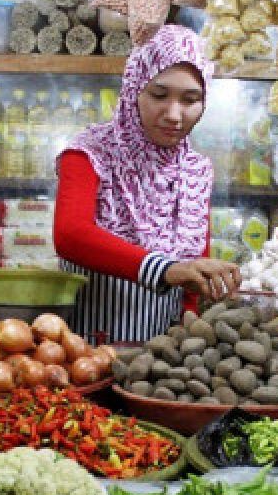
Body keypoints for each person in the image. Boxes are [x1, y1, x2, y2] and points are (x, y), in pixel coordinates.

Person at [53, 25, 241, 343]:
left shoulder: (195, 170)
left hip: (163, 357)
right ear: (133, 88)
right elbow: (70, 235)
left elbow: (195, 262)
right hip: (89, 346)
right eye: (159, 95)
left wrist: (192, 325)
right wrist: (166, 270)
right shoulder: (90, 152)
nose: (173, 114)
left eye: (191, 100)